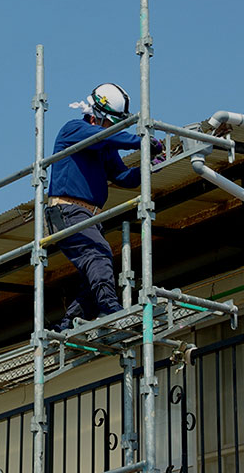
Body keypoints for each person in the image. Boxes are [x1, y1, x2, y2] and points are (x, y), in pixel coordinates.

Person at [46, 83, 163, 332]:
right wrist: (142, 140)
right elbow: (105, 137)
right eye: (112, 123)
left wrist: (148, 165)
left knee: (94, 266)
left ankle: (68, 324)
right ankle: (111, 309)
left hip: (87, 215)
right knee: (99, 255)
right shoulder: (75, 129)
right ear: (96, 114)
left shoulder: (105, 144)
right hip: (68, 210)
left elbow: (123, 177)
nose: (112, 128)